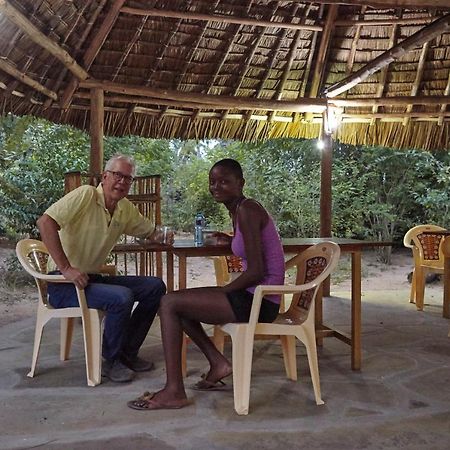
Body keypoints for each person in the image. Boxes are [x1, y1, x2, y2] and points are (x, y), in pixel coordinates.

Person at [127, 158, 285, 410]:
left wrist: (224, 290)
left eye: (224, 181)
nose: (216, 187)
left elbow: (257, 270)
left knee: (169, 302)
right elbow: (252, 246)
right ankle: (218, 364)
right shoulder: (239, 210)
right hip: (254, 295)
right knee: (180, 305)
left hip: (260, 300)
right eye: (212, 182)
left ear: (240, 183)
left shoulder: (248, 210)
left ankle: (174, 391)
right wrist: (230, 240)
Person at [37, 154, 170, 383]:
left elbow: (150, 232)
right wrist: (66, 268)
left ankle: (127, 354)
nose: (122, 182)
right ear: (105, 176)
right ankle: (112, 360)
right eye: (118, 175)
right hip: (62, 284)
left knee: (155, 287)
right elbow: (45, 222)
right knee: (121, 297)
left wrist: (164, 235)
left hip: (91, 278)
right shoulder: (86, 195)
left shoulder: (124, 208)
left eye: (128, 178)